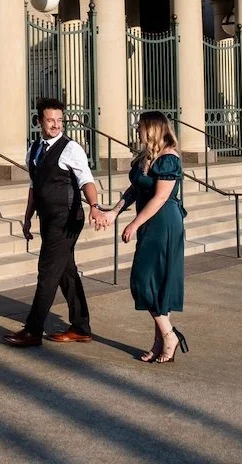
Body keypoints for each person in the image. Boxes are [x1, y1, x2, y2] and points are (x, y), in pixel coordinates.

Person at [4, 98, 107, 347]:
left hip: (67, 219)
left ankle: (33, 330)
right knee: (65, 272)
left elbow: (86, 180)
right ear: (39, 121)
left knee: (47, 271)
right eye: (50, 120)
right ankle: (81, 327)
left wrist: (95, 207)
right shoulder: (34, 149)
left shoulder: (71, 149)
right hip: (47, 218)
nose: (56, 125)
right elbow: (34, 185)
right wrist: (28, 216)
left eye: (60, 120)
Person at [101, 110, 189, 363]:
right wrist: (115, 212)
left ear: (151, 129)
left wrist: (134, 224)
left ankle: (170, 335)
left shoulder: (168, 159)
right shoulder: (145, 158)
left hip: (164, 222)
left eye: (140, 126)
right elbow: (135, 189)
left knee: (143, 280)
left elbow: (161, 197)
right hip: (149, 222)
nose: (136, 130)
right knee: (153, 281)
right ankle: (161, 341)